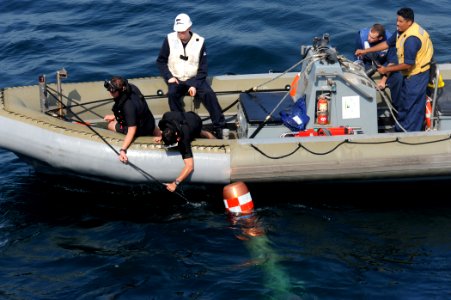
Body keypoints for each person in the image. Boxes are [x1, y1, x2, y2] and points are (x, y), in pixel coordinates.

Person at [355, 7, 434, 132]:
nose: (397, 23)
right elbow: (387, 44)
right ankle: (400, 128)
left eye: (401, 21)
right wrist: (365, 51)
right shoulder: (401, 31)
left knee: (413, 106)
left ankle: (411, 134)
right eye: (397, 20)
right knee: (404, 102)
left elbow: (408, 64)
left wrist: (386, 69)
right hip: (408, 73)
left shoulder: (411, 39)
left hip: (417, 75)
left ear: (409, 22)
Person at [156, 13, 226, 139]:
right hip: (176, 78)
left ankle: (219, 126)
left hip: (194, 79)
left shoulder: (200, 42)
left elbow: (203, 69)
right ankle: (179, 125)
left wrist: (195, 84)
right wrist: (169, 77)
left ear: (189, 28)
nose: (180, 34)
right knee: (172, 94)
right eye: (178, 31)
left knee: (208, 94)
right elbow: (160, 61)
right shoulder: (169, 39)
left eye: (182, 31)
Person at [154, 111, 214, 193]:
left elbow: (190, 166)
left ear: (178, 137)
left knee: (199, 133)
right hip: (178, 116)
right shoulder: (164, 121)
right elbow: (162, 129)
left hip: (194, 120)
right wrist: (162, 136)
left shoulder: (184, 138)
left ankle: (210, 136)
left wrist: (175, 183)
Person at [103, 76, 159, 163]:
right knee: (145, 121)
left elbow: (132, 129)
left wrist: (123, 150)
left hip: (139, 130)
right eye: (109, 90)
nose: (110, 93)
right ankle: (158, 133)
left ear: (120, 90)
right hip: (149, 122)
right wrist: (115, 116)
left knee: (110, 125)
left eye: (113, 91)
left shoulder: (128, 106)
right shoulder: (132, 87)